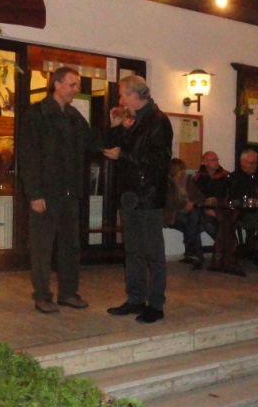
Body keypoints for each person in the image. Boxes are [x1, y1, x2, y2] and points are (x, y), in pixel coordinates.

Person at [17, 67, 99, 314]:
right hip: (45, 193)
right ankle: (42, 296)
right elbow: (28, 156)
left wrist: (116, 129)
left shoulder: (74, 116)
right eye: (72, 84)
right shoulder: (37, 114)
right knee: (42, 248)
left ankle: (68, 293)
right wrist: (34, 194)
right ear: (57, 84)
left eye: (77, 85)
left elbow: (91, 142)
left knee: (70, 246)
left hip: (69, 193)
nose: (76, 89)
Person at [103, 75, 173, 324]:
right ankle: (135, 299)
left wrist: (123, 155)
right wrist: (116, 128)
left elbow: (159, 160)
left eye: (122, 94)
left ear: (134, 94)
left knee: (153, 252)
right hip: (130, 194)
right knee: (132, 250)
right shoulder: (133, 119)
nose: (120, 99)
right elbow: (116, 147)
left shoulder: (158, 120)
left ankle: (156, 304)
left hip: (148, 195)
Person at [164, 158, 206, 269]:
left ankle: (192, 252)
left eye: (183, 169)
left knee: (193, 218)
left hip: (189, 212)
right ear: (173, 170)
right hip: (173, 214)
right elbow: (169, 203)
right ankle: (195, 254)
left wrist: (192, 203)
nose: (183, 172)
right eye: (180, 169)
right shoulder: (167, 184)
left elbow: (200, 197)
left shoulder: (188, 181)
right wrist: (184, 204)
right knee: (194, 222)